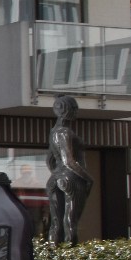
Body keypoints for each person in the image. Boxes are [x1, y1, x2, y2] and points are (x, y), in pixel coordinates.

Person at [45, 94, 92, 245]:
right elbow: (69, 161)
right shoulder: (65, 132)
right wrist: (88, 178)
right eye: (75, 109)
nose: (76, 112)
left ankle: (53, 253)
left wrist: (56, 174)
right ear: (68, 110)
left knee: (55, 221)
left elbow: (50, 160)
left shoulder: (53, 132)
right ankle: (70, 250)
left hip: (55, 177)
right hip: (70, 178)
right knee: (71, 220)